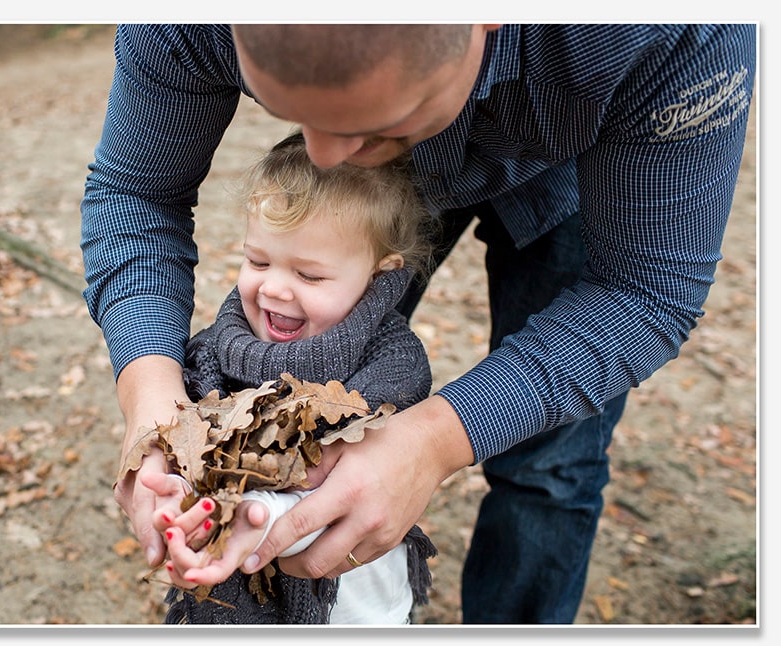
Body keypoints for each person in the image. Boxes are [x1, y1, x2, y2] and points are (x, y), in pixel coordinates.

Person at [81, 24, 757, 623]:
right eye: (288, 113)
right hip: (373, 204)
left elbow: (642, 291)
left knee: (552, 468)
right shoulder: (184, 22)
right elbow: (136, 192)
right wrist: (152, 404)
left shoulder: (669, 29)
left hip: (586, 164)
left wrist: (435, 441)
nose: (323, 157)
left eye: (376, 128)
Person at [136, 130, 437, 624]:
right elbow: (182, 437)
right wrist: (174, 490)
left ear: (379, 276)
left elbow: (343, 474)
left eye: (310, 276)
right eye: (258, 261)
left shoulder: (392, 363)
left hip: (357, 603)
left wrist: (255, 514)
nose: (274, 287)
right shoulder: (213, 353)